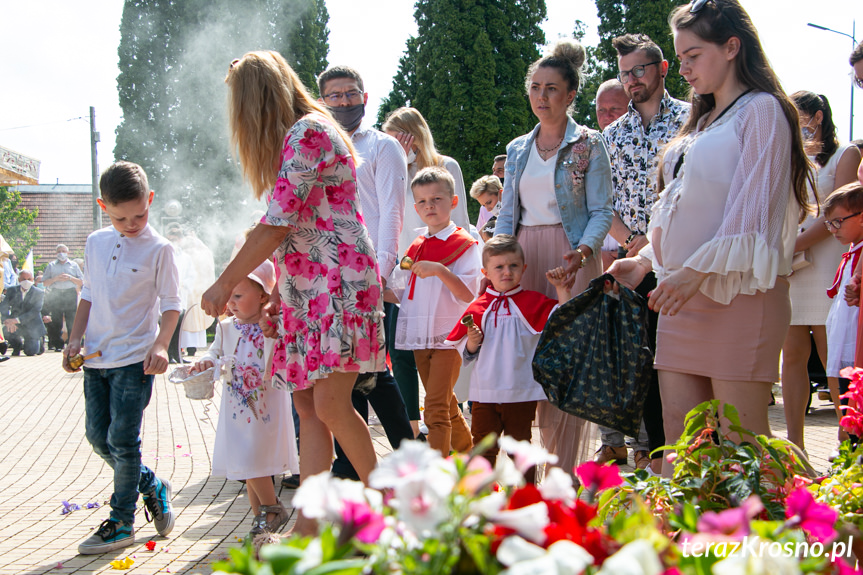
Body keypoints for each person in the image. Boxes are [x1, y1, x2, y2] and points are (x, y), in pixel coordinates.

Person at [609, 0, 813, 476]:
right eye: (679, 58)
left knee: (745, 440)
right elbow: (680, 209)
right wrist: (645, 264)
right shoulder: (703, 121)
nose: (683, 69)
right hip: (681, 295)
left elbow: (752, 218)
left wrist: (692, 273)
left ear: (731, 47)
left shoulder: (763, 111)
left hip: (737, 293)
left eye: (692, 55)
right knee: (681, 436)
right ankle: (694, 546)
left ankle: (823, 533)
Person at [203, 52, 385, 536]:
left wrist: (224, 282)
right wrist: (280, 295)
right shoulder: (298, 137)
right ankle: (307, 524)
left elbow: (277, 224)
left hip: (339, 281)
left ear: (256, 100)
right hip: (309, 286)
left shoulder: (309, 131)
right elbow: (293, 229)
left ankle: (394, 517)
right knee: (308, 408)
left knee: (328, 405)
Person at [495, 38, 614, 474]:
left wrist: (583, 251)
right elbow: (507, 212)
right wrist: (497, 264)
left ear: (570, 95)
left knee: (568, 364)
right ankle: (531, 471)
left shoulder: (590, 144)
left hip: (572, 258)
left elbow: (603, 210)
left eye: (551, 89)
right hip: (524, 259)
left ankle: (563, 474)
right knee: (530, 358)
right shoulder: (516, 149)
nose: (541, 97)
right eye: (535, 88)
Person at [64, 161, 180, 554]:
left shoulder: (161, 248)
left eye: (140, 215)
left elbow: (172, 304)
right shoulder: (95, 242)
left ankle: (121, 521)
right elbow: (89, 293)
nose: (132, 224)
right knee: (98, 438)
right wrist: (74, 339)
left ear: (149, 200)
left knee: (123, 440)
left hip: (134, 360)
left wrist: (161, 344)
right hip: (95, 359)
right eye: (121, 218)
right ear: (103, 207)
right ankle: (152, 485)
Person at [315, 65, 414, 478]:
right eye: (334, 96)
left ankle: (399, 461)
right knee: (350, 372)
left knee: (371, 369)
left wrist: (381, 271)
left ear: (365, 98)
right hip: (325, 277)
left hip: (366, 275)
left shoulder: (382, 147)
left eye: (350, 93)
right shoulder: (315, 147)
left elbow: (392, 211)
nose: (343, 102)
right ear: (322, 102)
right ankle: (356, 466)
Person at [598, 33, 690, 473]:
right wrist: (635, 241)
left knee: (686, 362)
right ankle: (655, 461)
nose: (632, 80)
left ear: (663, 69)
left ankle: (695, 457)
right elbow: (601, 202)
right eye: (624, 73)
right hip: (637, 265)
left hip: (687, 260)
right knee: (645, 364)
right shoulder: (612, 136)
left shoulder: (695, 121)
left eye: (640, 70)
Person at [445, 234, 572, 482]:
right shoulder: (477, 307)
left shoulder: (534, 302)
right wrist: (472, 340)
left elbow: (564, 320)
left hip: (520, 394)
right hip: (485, 394)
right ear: (486, 272)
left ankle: (526, 499)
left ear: (523, 268)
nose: (507, 272)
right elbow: (466, 355)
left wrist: (561, 289)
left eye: (513, 266)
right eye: (499, 267)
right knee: (482, 451)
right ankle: (478, 503)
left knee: (521, 452)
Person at [192, 259, 298, 537]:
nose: (232, 303)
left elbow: (280, 358)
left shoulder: (273, 328)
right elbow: (213, 353)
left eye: (238, 295)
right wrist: (205, 362)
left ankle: (273, 508)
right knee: (245, 463)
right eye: (230, 297)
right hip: (236, 411)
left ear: (263, 295)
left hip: (265, 409)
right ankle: (261, 522)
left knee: (254, 459)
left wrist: (272, 334)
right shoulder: (227, 328)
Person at [781, 91, 861, 450]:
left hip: (830, 263)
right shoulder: (790, 158)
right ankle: (796, 448)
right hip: (794, 267)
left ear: (817, 116)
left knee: (834, 357)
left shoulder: (846, 155)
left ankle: (845, 444)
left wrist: (788, 248)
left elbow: (838, 214)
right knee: (793, 356)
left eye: (798, 117)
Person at [393, 167, 481, 456]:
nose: (430, 206)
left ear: (453, 202)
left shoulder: (465, 244)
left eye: (437, 199)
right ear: (415, 207)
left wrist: (441, 270)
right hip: (421, 335)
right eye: (422, 201)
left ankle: (438, 481)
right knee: (446, 405)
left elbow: (468, 293)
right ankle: (471, 462)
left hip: (449, 335)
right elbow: (399, 289)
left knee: (434, 410)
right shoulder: (417, 246)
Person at [823, 183, 863, 446]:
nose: (834, 230)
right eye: (829, 224)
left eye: (838, 222)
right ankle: (846, 442)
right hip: (843, 335)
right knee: (843, 389)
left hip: (854, 338)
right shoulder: (851, 250)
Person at [42, 244, 83, 352]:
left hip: (70, 293)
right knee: (56, 321)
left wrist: (69, 278)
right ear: (56, 253)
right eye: (59, 251)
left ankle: (71, 343)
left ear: (68, 253)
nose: (61, 253)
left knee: (71, 320)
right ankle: (58, 345)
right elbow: (45, 283)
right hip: (56, 294)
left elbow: (81, 281)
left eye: (63, 251)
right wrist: (55, 279)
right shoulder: (51, 265)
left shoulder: (74, 265)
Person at [1, 270, 46, 357]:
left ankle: (38, 341)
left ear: (33, 279)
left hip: (32, 325)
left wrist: (16, 320)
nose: (26, 281)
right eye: (24, 279)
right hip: (15, 324)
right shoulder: (11, 290)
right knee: (6, 331)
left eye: (29, 279)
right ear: (19, 279)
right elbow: (4, 306)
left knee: (30, 352)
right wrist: (7, 320)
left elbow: (35, 311)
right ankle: (17, 346)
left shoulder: (38, 293)